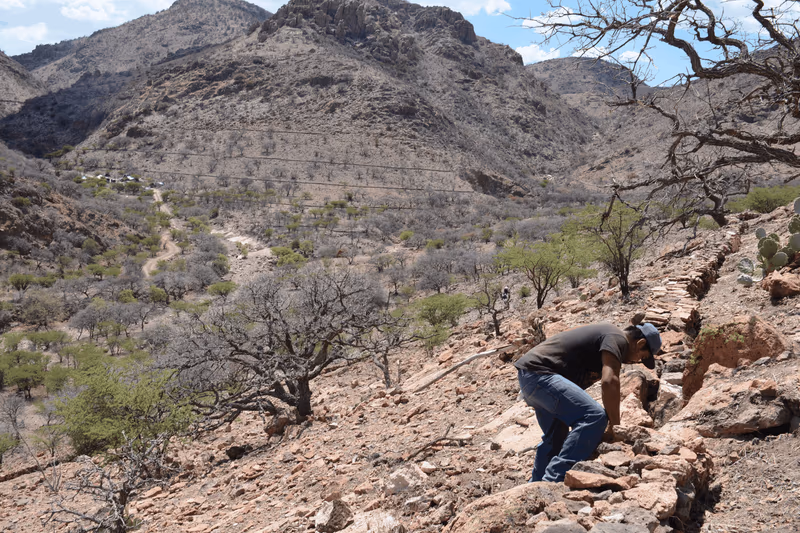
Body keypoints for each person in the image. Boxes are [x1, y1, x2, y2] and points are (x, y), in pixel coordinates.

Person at [514, 322, 661, 483]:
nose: (637, 361)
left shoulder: (611, 335)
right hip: (540, 375)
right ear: (639, 344)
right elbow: (609, 381)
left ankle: (534, 487)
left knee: (556, 438)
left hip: (530, 378)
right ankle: (554, 480)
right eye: (642, 357)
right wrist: (616, 426)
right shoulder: (617, 338)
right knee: (594, 416)